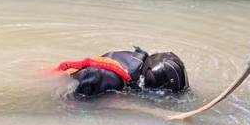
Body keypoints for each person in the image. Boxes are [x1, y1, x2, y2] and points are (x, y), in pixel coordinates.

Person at [53, 48, 188, 99]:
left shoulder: (138, 59)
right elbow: (79, 106)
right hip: (69, 82)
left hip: (73, 72)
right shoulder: (109, 80)